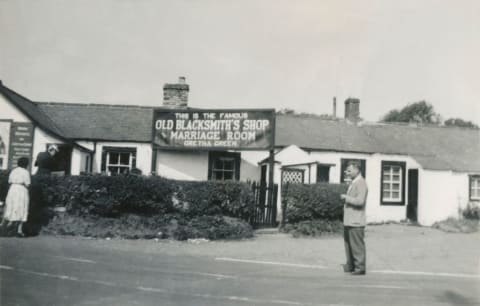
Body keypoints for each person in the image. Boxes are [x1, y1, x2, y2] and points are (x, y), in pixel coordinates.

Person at [340, 161, 368, 275]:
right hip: (350, 220)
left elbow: (360, 201)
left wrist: (346, 198)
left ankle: (359, 267)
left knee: (356, 245)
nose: (348, 173)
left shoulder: (361, 183)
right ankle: (351, 265)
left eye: (350, 170)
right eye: (347, 170)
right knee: (349, 244)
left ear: (357, 170)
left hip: (356, 220)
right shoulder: (354, 182)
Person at [1, 157, 31, 237]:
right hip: (21, 190)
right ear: (26, 164)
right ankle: (19, 230)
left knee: (10, 207)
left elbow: (9, 181)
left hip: (12, 190)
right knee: (21, 208)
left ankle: (3, 227)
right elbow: (27, 183)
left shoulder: (13, 171)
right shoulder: (25, 172)